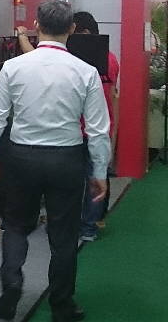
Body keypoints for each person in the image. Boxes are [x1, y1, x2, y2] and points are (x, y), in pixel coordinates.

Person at [0, 0, 110, 322]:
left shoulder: (13, 67)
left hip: (21, 156)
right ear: (72, 29)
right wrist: (99, 171)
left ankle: (12, 284)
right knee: (64, 237)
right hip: (66, 159)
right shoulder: (87, 72)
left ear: (37, 25)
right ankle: (62, 306)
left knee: (15, 226)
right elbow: (98, 130)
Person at [72, 12, 118, 241]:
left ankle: (84, 226)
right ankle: (90, 226)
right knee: (96, 176)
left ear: (85, 33)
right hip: (99, 129)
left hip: (81, 129)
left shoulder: (77, 63)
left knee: (82, 179)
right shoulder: (111, 59)